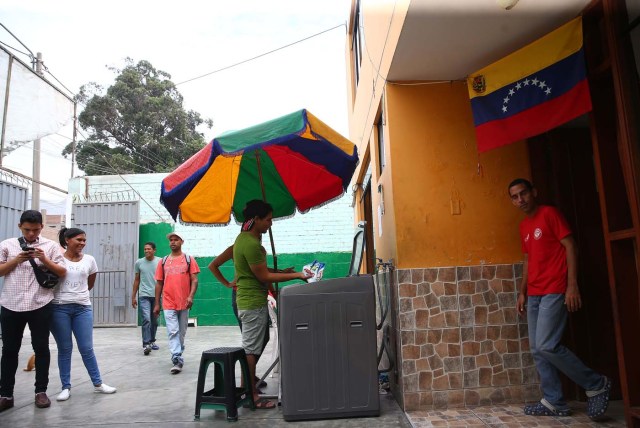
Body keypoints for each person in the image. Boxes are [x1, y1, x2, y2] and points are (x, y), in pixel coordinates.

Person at [508, 178, 611, 420]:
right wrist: (522, 291)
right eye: (514, 197)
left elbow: (571, 247)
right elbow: (528, 260)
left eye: (523, 193)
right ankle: (554, 401)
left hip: (554, 289)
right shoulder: (524, 226)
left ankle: (596, 383)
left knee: (547, 345)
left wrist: (572, 286)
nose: (520, 199)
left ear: (534, 192)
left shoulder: (550, 214)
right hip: (533, 292)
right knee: (537, 349)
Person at [233, 200, 311, 409]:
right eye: (268, 220)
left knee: (261, 340)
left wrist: (283, 272)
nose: (270, 224)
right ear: (256, 219)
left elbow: (259, 269)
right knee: (251, 349)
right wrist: (297, 276)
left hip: (251, 301)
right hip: (251, 303)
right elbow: (263, 275)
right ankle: (252, 395)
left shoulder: (244, 239)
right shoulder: (250, 244)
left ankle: (249, 383)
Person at [0, 210, 67, 412]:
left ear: (41, 228)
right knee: (9, 350)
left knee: (41, 348)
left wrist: (44, 260)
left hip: (40, 303)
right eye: (27, 230)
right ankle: (6, 395)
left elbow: (62, 271)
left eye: (35, 230)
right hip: (11, 304)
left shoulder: (50, 246)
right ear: (20, 226)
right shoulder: (7, 245)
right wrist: (17, 260)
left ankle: (41, 392)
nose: (31, 234)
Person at [50, 227, 117, 401]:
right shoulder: (57, 259)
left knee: (87, 348)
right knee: (65, 349)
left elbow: (89, 283)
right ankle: (65, 387)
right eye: (79, 240)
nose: (82, 243)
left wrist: (77, 295)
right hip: (59, 308)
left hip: (83, 308)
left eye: (84, 240)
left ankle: (98, 383)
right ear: (67, 240)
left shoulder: (89, 260)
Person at [153, 232, 200, 374]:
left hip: (184, 302)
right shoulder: (163, 261)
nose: (173, 242)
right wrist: (157, 303)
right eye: (171, 240)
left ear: (182, 242)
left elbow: (195, 280)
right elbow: (159, 283)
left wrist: (191, 296)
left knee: (181, 332)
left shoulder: (188, 259)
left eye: (176, 240)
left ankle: (178, 351)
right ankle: (177, 358)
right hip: (168, 301)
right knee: (173, 331)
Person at [132, 242, 161, 355]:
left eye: (149, 249)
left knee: (154, 321)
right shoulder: (139, 262)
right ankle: (146, 344)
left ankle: (152, 341)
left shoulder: (160, 262)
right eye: (145, 249)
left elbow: (163, 279)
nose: (146, 251)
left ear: (154, 250)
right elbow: (137, 280)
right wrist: (133, 296)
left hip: (157, 296)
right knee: (146, 319)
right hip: (144, 295)